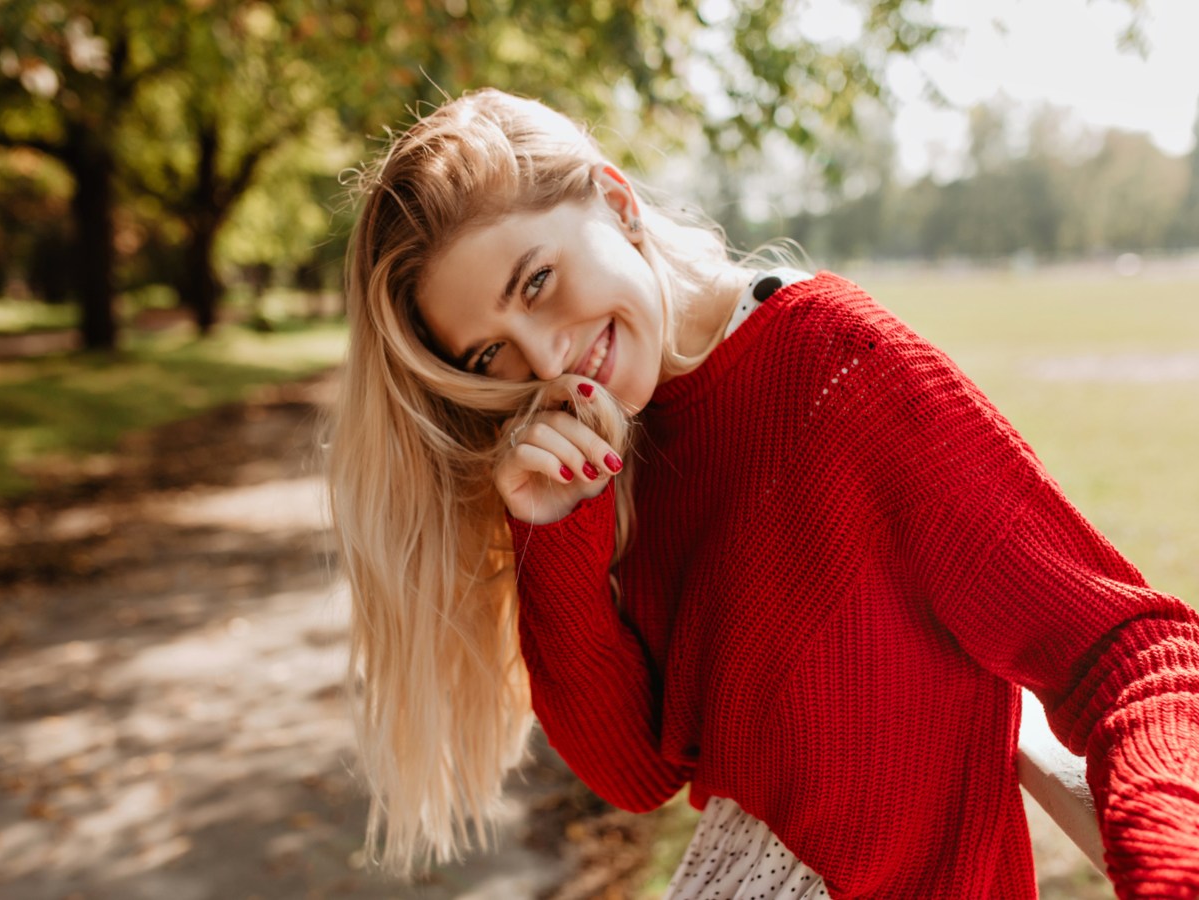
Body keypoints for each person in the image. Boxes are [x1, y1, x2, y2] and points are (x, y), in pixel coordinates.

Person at [326, 87, 1199, 898]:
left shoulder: (835, 367)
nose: (544, 362)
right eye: (490, 355)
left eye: (538, 283)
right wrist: (553, 531)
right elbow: (635, 773)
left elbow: (1130, 651)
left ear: (618, 205)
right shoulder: (614, 440)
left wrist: (1171, 873)